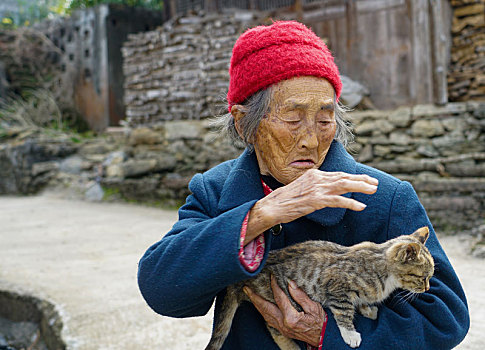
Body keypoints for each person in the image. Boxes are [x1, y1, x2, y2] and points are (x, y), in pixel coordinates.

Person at [137, 21, 469, 349]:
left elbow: (445, 320)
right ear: (243, 124)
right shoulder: (215, 190)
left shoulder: (385, 197)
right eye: (293, 119)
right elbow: (163, 291)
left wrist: (328, 334)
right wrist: (259, 216)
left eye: (325, 120)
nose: (311, 139)